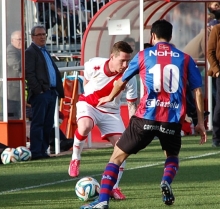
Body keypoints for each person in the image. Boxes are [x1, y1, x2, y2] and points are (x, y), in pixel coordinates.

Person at [80, 19, 207, 209]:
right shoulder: (185, 58)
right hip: (171, 120)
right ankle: (166, 181)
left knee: (116, 158)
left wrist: (109, 97)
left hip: (145, 117)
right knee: (171, 156)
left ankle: (102, 201)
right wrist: (200, 122)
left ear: (153, 36)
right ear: (170, 37)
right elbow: (197, 90)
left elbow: (121, 81)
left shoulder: (143, 55)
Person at [68, 41, 137, 201]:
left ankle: (114, 187)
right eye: (123, 61)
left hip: (111, 112)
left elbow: (132, 103)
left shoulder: (130, 76)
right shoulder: (95, 64)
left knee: (122, 149)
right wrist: (89, 96)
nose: (126, 64)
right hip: (89, 105)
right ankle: (75, 158)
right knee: (84, 126)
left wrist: (134, 127)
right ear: (112, 57)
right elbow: (86, 80)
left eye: (128, 61)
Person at [25, 25, 64, 160]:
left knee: (48, 123)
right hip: (41, 94)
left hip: (51, 92)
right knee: (38, 122)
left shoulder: (44, 51)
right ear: (33, 37)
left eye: (44, 34)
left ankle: (43, 150)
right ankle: (36, 152)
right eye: (39, 35)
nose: (42, 37)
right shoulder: (30, 52)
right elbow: (29, 74)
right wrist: (39, 90)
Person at [0, 30, 22, 118]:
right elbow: (18, 66)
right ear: (12, 40)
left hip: (16, 93)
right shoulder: (10, 51)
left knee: (16, 117)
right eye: (19, 39)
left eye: (23, 39)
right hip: (9, 93)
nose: (21, 42)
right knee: (11, 118)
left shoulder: (21, 51)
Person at [208, 20, 220, 147]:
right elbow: (210, 52)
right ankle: (216, 137)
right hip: (219, 71)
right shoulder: (216, 29)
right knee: (219, 106)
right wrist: (216, 70)